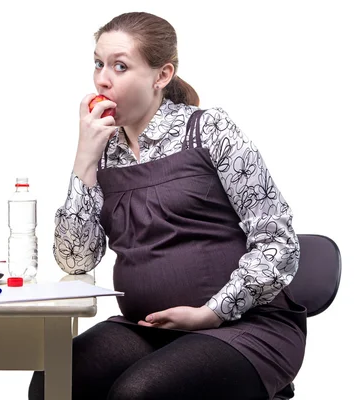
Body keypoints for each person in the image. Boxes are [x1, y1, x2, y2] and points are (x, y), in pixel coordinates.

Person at [29, 11, 306, 400]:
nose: (102, 79)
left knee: (137, 394)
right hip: (148, 327)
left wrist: (211, 312)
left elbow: (278, 244)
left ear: (161, 76)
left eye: (119, 66)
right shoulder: (105, 151)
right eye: (98, 64)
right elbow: (76, 260)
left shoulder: (209, 130)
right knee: (52, 383)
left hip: (242, 325)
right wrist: (84, 159)